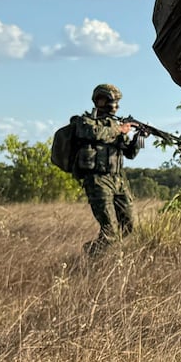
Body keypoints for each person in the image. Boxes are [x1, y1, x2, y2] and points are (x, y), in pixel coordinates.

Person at [73, 84, 143, 255]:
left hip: (118, 179)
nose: (115, 106)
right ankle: (92, 258)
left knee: (129, 226)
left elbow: (129, 153)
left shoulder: (115, 126)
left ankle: (95, 251)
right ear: (99, 100)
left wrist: (138, 138)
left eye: (117, 102)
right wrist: (120, 129)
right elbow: (94, 133)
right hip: (98, 181)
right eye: (111, 101)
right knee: (110, 231)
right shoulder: (85, 121)